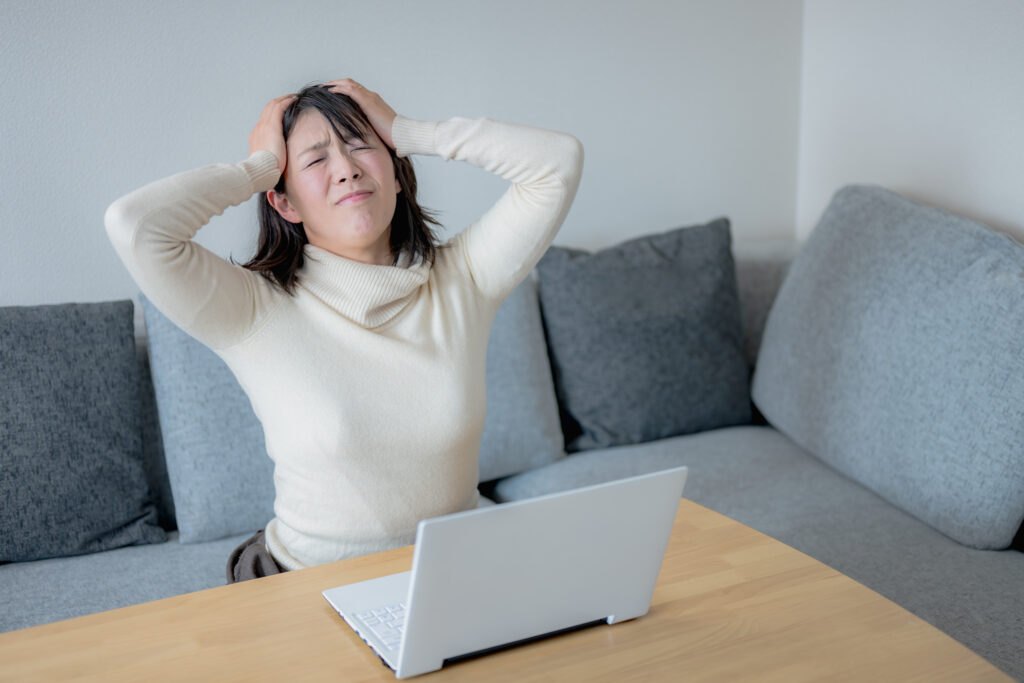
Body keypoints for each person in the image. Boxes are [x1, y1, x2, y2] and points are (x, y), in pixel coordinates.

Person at [105, 79, 583, 582]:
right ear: (285, 204)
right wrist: (258, 167)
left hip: (451, 576)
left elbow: (558, 162)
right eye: (314, 161)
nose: (347, 168)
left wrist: (409, 130)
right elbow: (134, 226)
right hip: (306, 582)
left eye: (360, 145)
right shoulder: (252, 308)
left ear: (397, 175)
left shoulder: (464, 278)